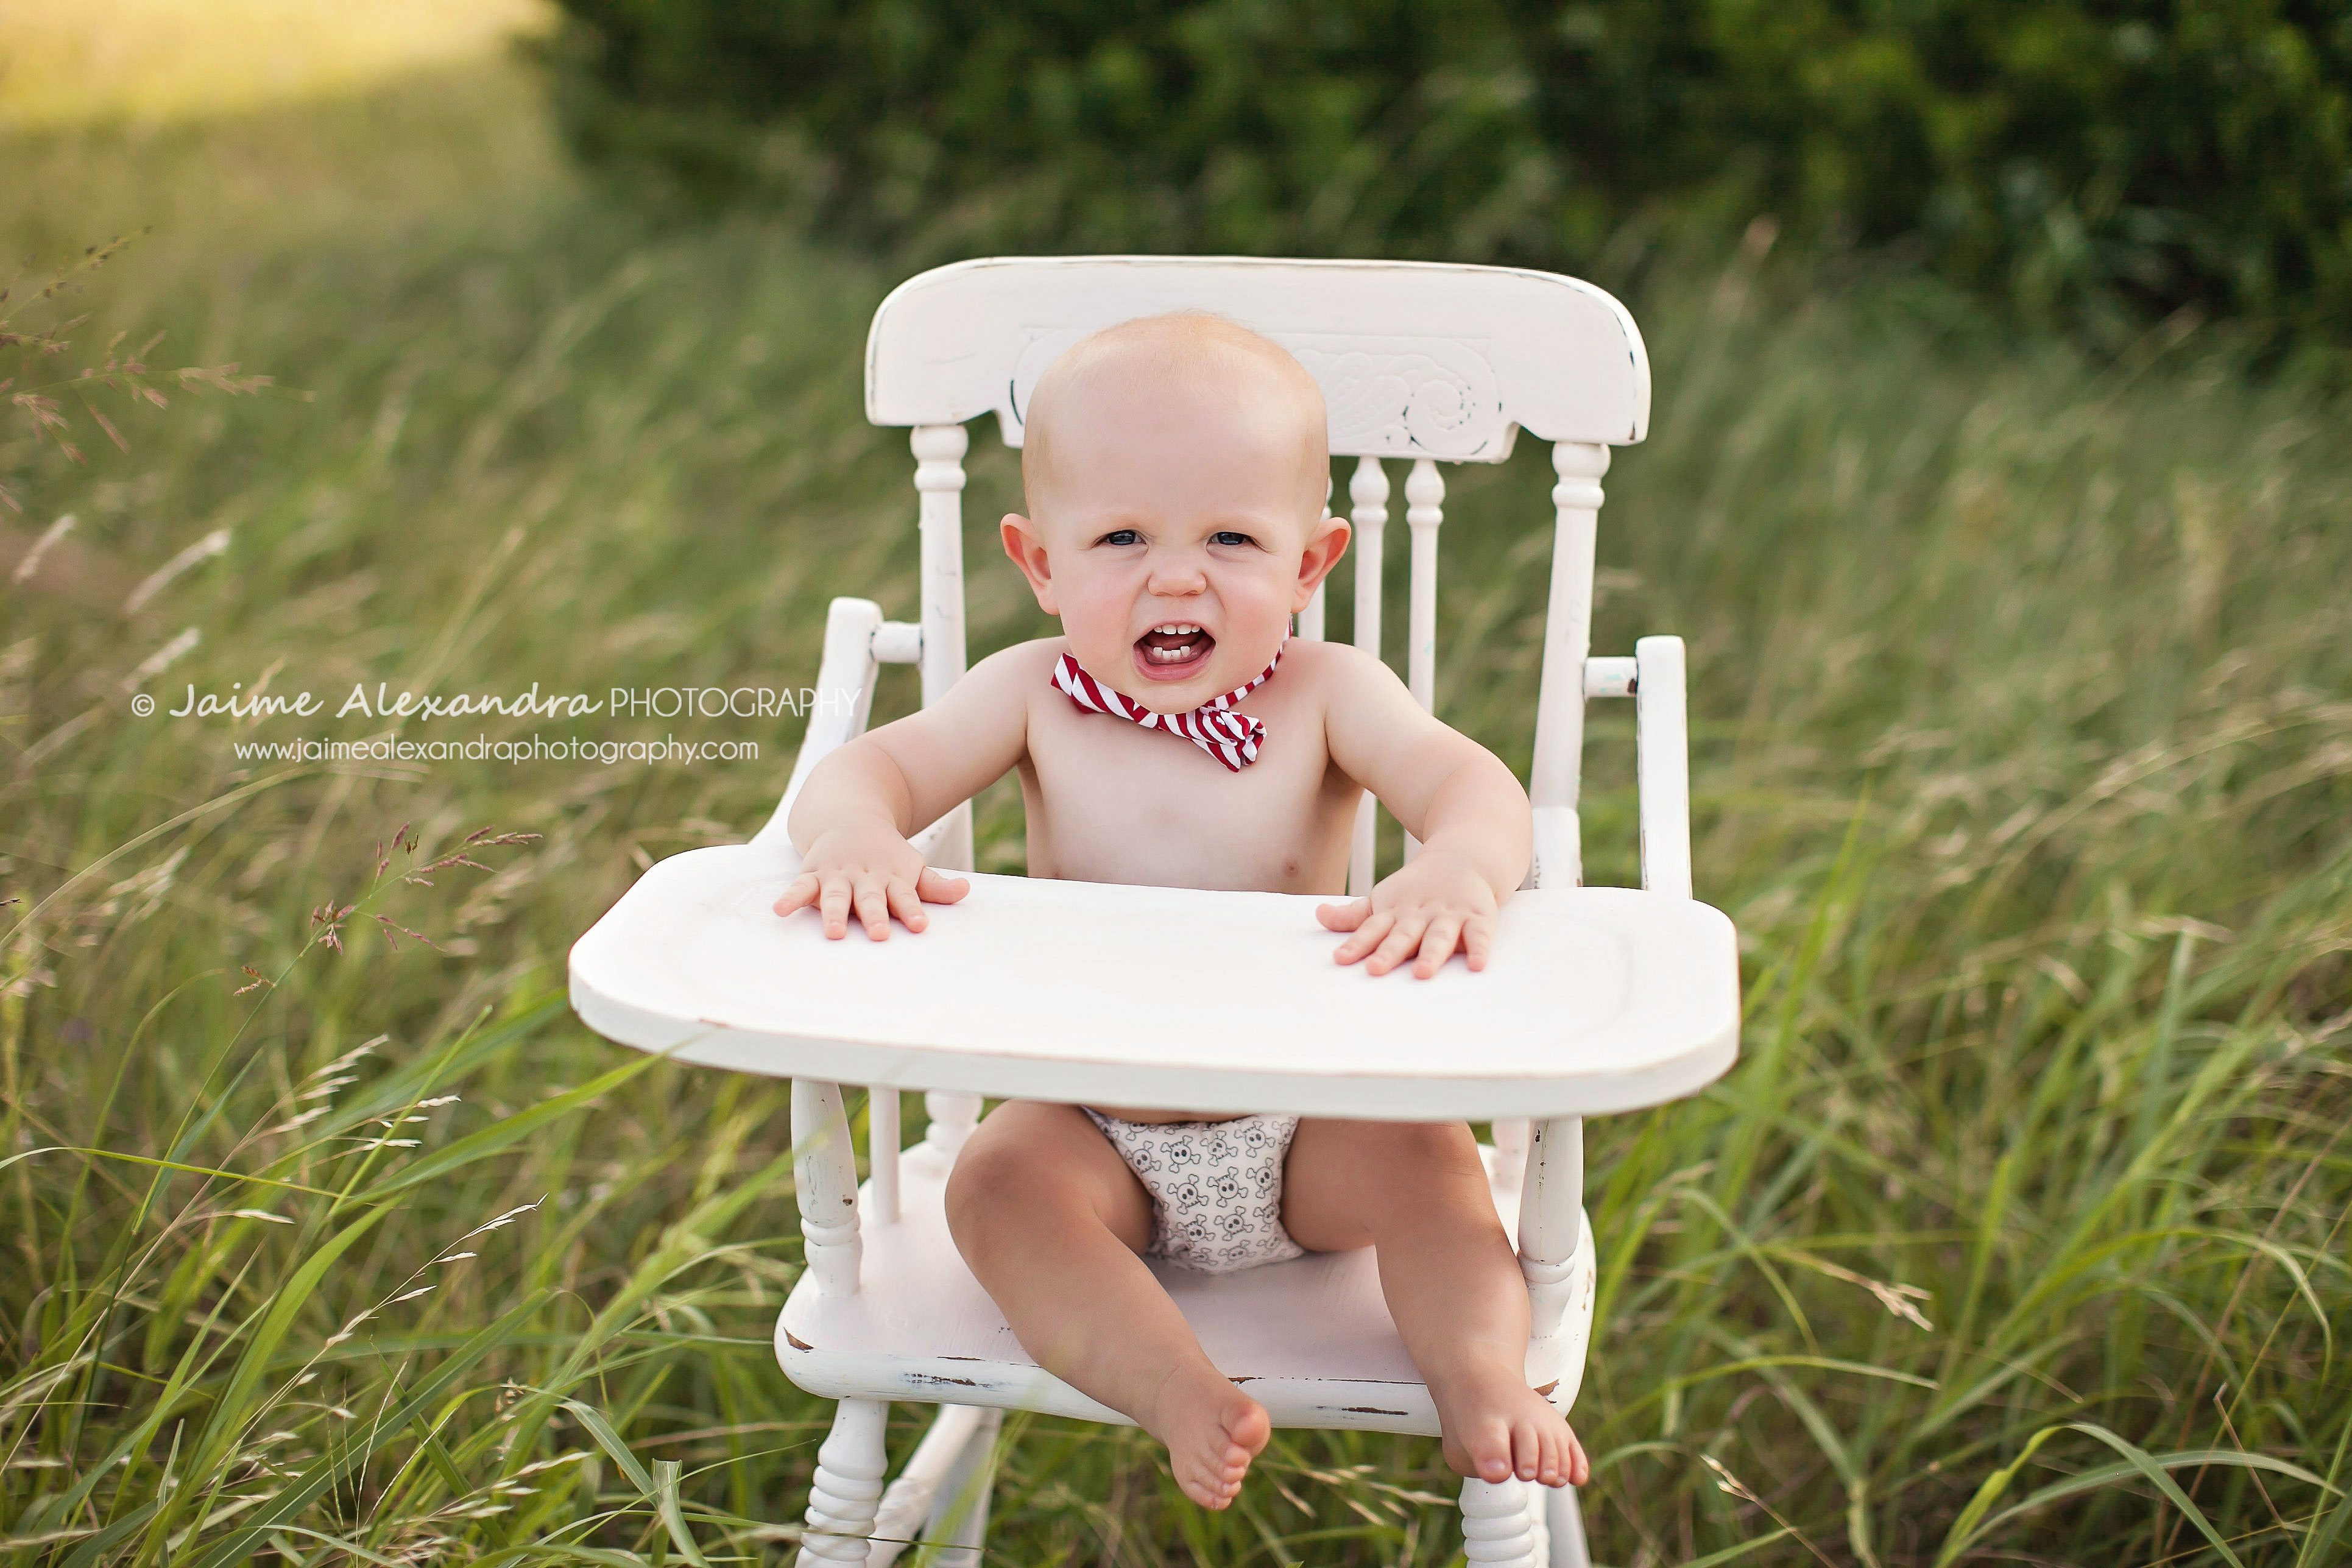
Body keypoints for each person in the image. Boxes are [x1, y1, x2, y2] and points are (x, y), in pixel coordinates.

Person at [774, 311, 1587, 1510]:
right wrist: (853, 834)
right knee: (992, 1190)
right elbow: (869, 772)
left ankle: (1476, 1377)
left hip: (1309, 1120)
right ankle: (1174, 1387)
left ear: (1308, 564)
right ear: (1037, 562)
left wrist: (1457, 866)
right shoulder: (1029, 694)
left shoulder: (1326, 693)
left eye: (1227, 537)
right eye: (1118, 536)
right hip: (1095, 1130)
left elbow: (1467, 783)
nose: (1173, 574)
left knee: (1432, 1166)